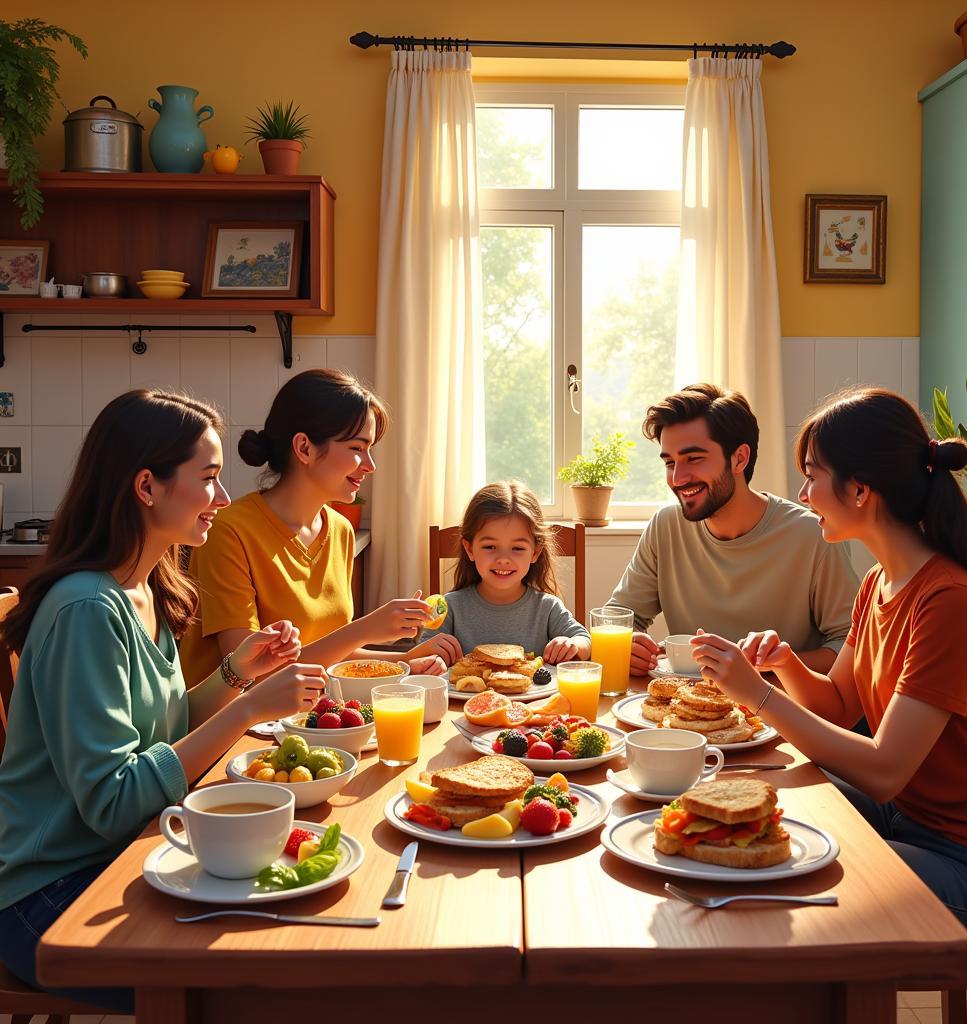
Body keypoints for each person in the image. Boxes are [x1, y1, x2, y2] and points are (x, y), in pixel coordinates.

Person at [0, 390, 326, 1011]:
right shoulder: (87, 611)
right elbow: (115, 801)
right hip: (50, 897)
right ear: (147, 486)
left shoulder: (144, 587)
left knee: (295, 938)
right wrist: (250, 711)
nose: (224, 499)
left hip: (126, 857)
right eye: (208, 479)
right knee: (267, 982)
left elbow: (166, 731)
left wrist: (236, 674)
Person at [692, 388, 967, 956]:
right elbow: (839, 706)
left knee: (786, 873)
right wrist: (784, 665)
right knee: (759, 800)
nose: (802, 494)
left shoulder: (949, 599)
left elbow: (885, 770)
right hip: (910, 823)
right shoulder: (878, 583)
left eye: (811, 476)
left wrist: (758, 697)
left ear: (861, 490)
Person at [180, 369, 453, 685]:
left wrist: (405, 661)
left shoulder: (340, 531)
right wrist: (366, 629)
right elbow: (249, 673)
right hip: (234, 727)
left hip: (306, 717)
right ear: (305, 448)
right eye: (356, 448)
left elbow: (329, 655)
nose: (370, 465)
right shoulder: (229, 531)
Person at [609, 383, 859, 677]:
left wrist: (768, 666)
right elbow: (616, 617)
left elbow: (850, 646)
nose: (678, 477)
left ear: (739, 458)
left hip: (780, 712)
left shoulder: (813, 534)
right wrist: (627, 645)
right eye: (669, 462)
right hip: (685, 711)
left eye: (694, 459)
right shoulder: (665, 527)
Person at [420, 481, 590, 663]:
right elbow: (421, 654)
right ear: (470, 549)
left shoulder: (547, 608)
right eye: (490, 546)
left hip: (540, 692)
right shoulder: (450, 607)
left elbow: (585, 641)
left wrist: (572, 644)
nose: (503, 559)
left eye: (517, 548)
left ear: (535, 552)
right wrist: (430, 657)